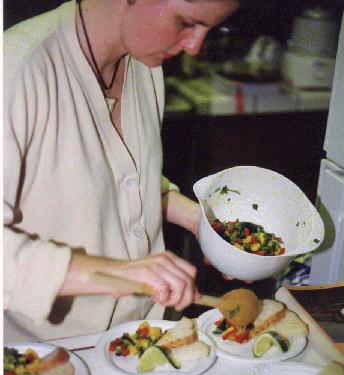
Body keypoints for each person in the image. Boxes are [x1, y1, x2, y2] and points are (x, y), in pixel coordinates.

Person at [4, 0, 240, 342]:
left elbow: (104, 176)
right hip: (44, 359)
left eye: (208, 29)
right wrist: (113, 272)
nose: (194, 47)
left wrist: (197, 219)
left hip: (139, 337)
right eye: (186, 22)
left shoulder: (144, 64)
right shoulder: (14, 67)